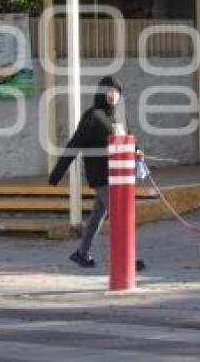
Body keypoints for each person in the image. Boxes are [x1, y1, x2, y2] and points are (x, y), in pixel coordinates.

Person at [48, 76, 145, 271]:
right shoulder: (92, 117)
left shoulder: (119, 116)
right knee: (119, 214)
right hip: (101, 176)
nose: (113, 95)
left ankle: (81, 253)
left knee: (97, 216)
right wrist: (57, 173)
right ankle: (128, 258)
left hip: (119, 175)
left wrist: (137, 151)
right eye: (109, 90)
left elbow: (129, 139)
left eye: (116, 91)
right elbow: (74, 144)